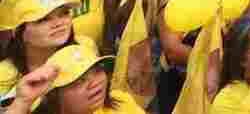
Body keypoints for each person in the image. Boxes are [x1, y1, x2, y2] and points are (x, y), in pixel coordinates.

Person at [156, 0, 235, 114]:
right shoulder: (173, 0)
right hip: (183, 79)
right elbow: (172, 49)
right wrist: (214, 63)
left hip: (226, 77)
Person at [3, 43, 145, 114]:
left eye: (96, 70)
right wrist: (22, 102)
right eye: (79, 80)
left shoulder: (121, 102)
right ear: (55, 95)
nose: (94, 83)